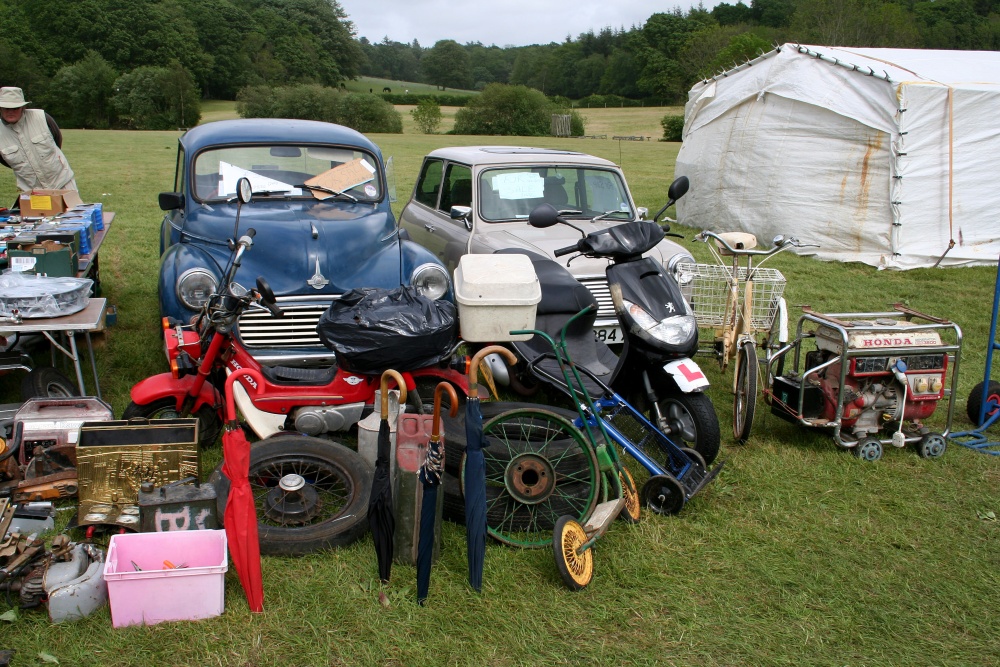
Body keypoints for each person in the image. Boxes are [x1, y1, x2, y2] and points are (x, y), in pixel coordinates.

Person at [0, 87, 77, 192]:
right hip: (32, 190)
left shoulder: (42, 117)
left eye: (15, 108)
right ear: (1, 109)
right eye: (6, 108)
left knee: (73, 209)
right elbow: (4, 161)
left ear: (23, 107)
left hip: (62, 182)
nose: (10, 112)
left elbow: (57, 139)